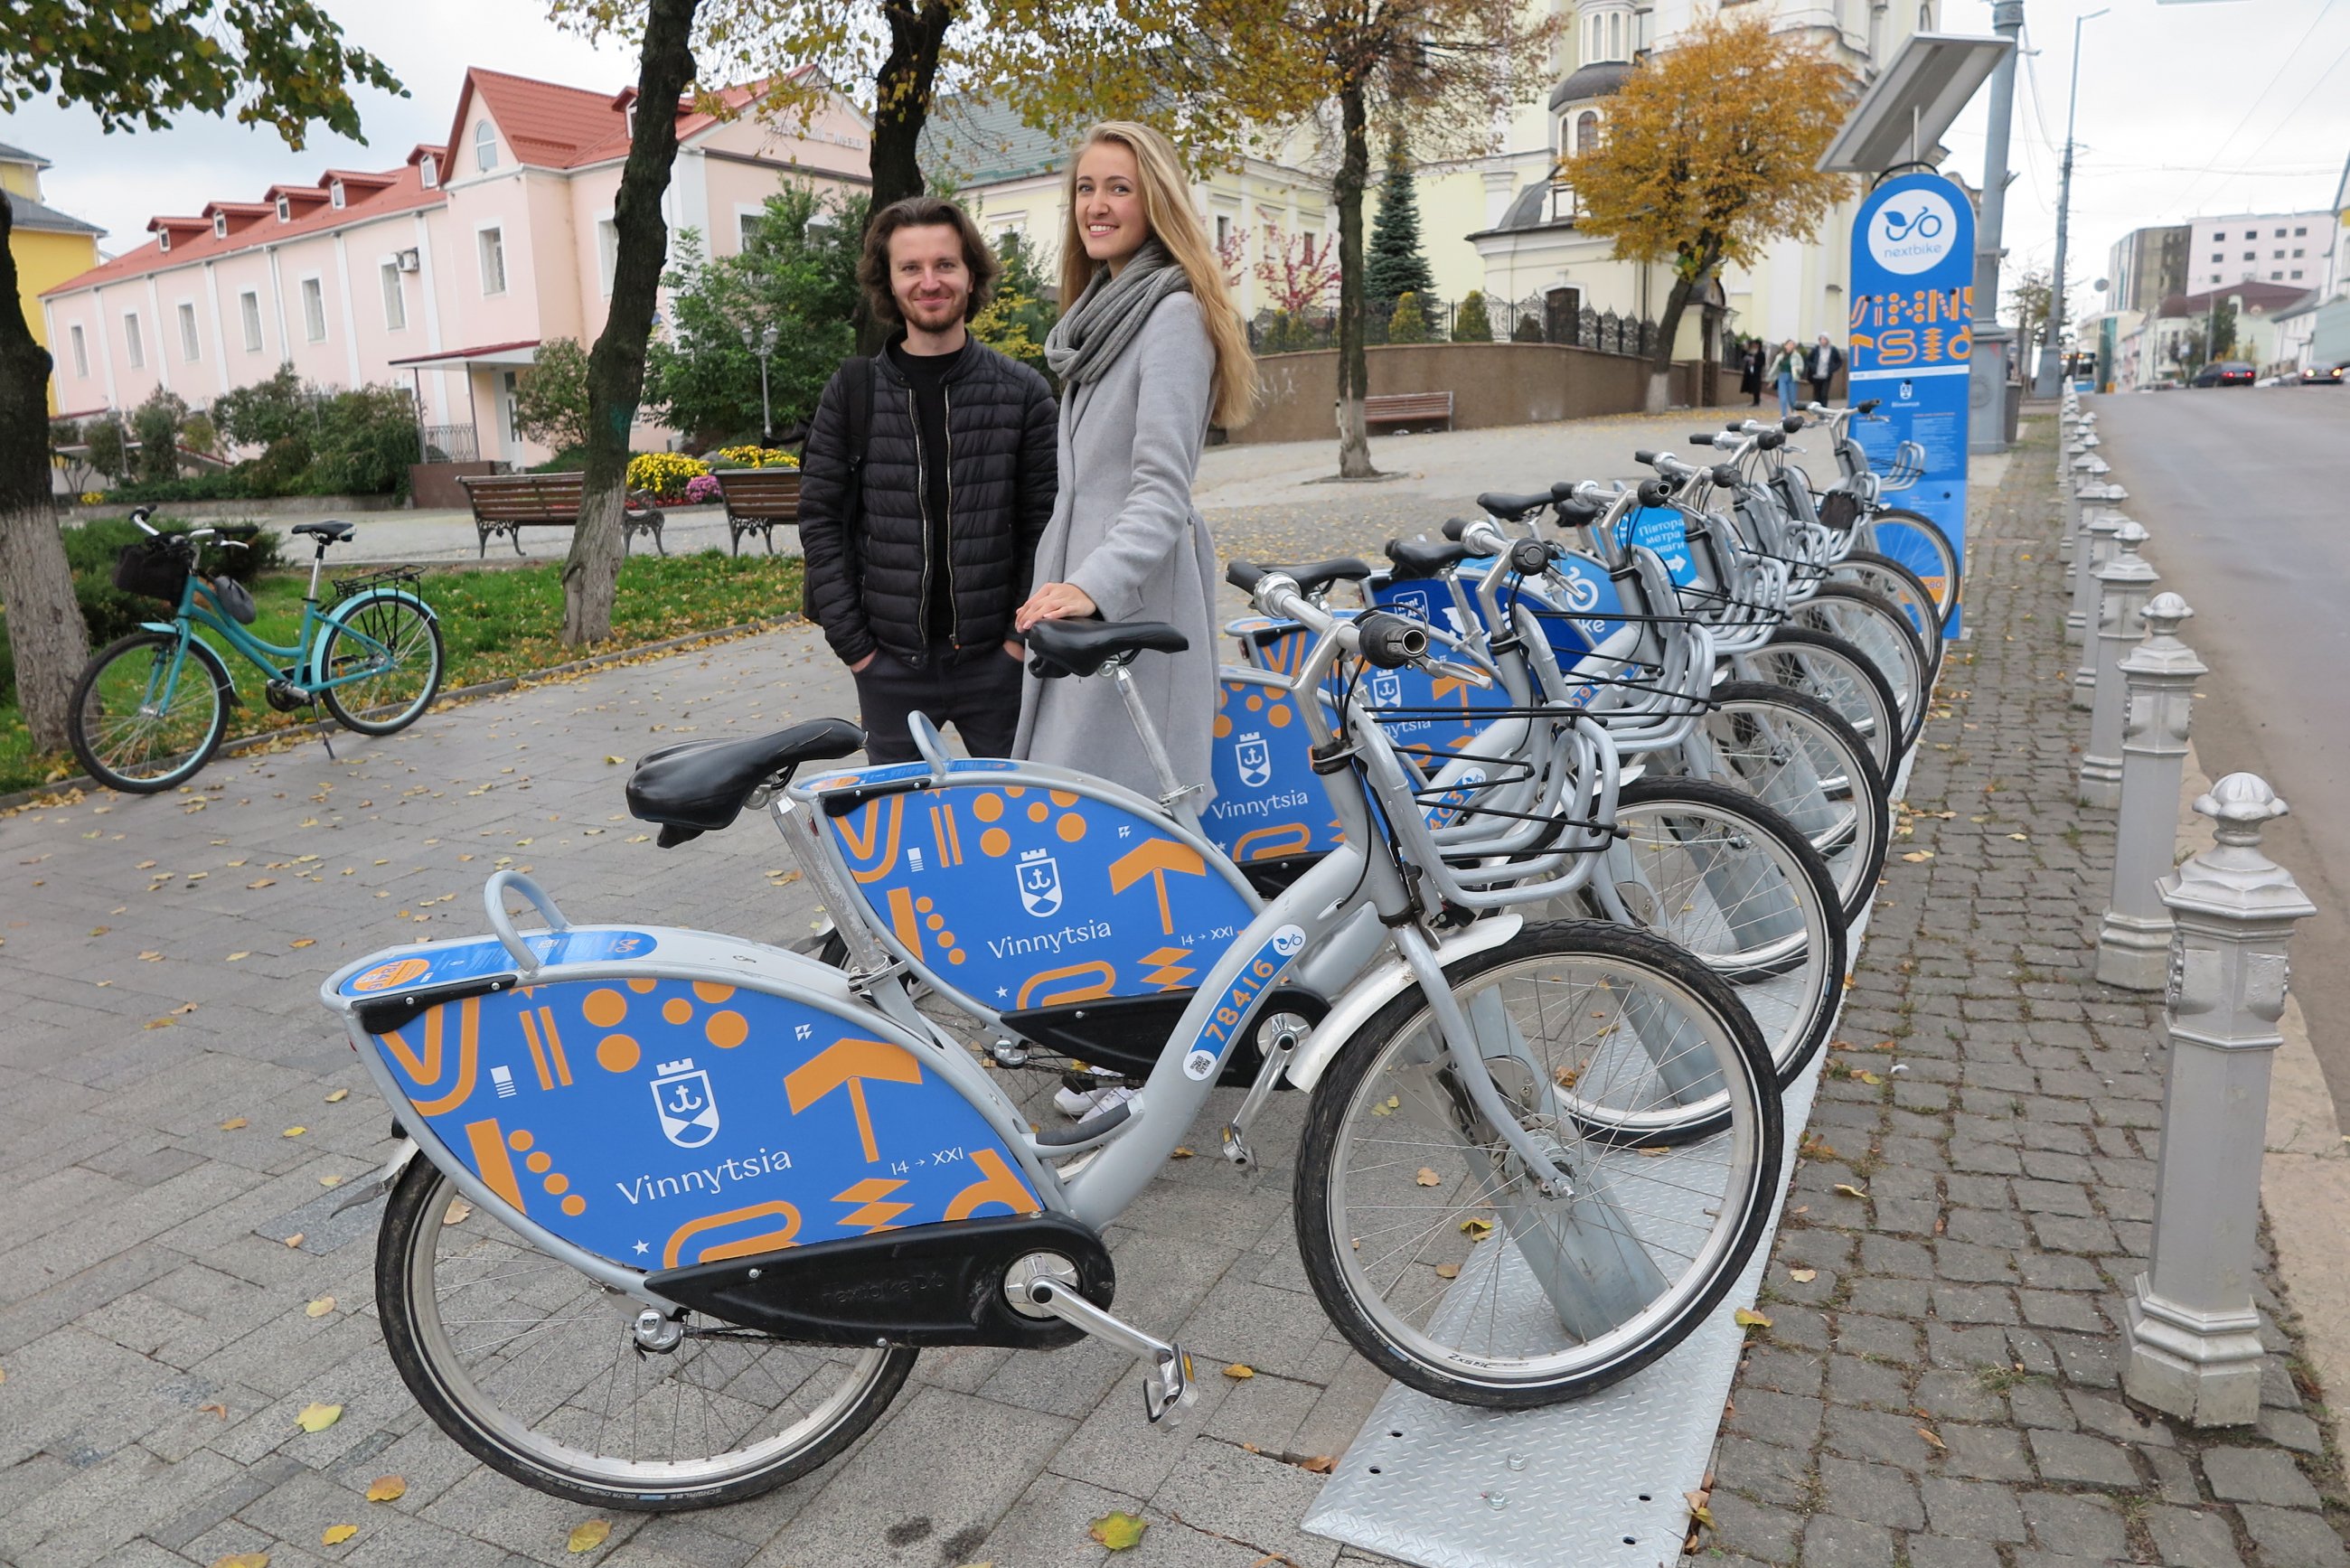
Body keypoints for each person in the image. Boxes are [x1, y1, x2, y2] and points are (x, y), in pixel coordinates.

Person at [1009, 121, 1256, 1119]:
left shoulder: (1168, 318)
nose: (1098, 205)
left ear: (1154, 200)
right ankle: (1106, 1038)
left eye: (1117, 188)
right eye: (1084, 190)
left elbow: (1159, 491)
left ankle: (1133, 1064)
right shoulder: (1102, 312)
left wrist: (1090, 587)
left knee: (1129, 837)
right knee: (1085, 829)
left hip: (1133, 608)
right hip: (1084, 600)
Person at [797, 196, 1059, 764]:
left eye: (945, 264)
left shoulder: (1022, 393)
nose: (929, 281)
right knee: (905, 838)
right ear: (888, 282)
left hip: (1000, 662)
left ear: (971, 274)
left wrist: (1018, 642)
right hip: (889, 665)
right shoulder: (852, 392)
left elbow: (1048, 520)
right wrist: (856, 648)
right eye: (910, 268)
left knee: (1020, 826)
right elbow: (820, 519)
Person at [1807, 333, 1845, 408]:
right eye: (1821, 339)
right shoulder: (1816, 349)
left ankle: (1824, 410)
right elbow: (1808, 360)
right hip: (1816, 375)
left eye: (1824, 339)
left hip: (1826, 376)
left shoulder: (1833, 350)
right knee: (1816, 395)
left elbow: (1839, 361)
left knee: (1824, 394)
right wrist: (1813, 366)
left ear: (1828, 340)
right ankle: (1817, 410)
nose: (1823, 341)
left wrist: (1832, 369)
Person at [1771, 338, 1803, 418]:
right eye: (1789, 344)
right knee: (1783, 398)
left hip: (1792, 377)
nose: (1790, 346)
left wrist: (1797, 368)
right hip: (1782, 377)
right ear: (1785, 346)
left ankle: (1793, 411)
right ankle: (1784, 416)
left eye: (1792, 345)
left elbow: (1802, 367)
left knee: (1792, 399)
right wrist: (1771, 378)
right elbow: (1774, 367)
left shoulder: (1797, 356)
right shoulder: (1780, 356)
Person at [1738, 337, 1764, 406]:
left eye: (1756, 344)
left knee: (1756, 387)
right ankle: (1754, 401)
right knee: (1751, 386)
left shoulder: (1761, 354)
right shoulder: (1750, 352)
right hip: (1749, 372)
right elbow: (1743, 356)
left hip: (1756, 373)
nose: (1755, 346)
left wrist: (1755, 363)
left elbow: (1762, 363)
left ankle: (1757, 401)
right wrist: (1744, 349)